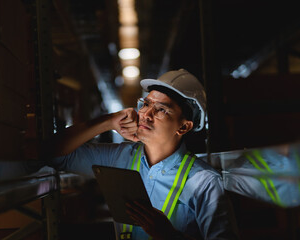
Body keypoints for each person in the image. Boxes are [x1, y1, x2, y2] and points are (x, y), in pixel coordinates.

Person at [47, 69, 239, 239]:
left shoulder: (204, 182)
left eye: (162, 110)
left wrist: (170, 236)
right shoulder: (119, 158)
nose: (146, 114)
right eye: (146, 104)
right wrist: (109, 121)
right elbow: (54, 154)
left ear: (183, 126)